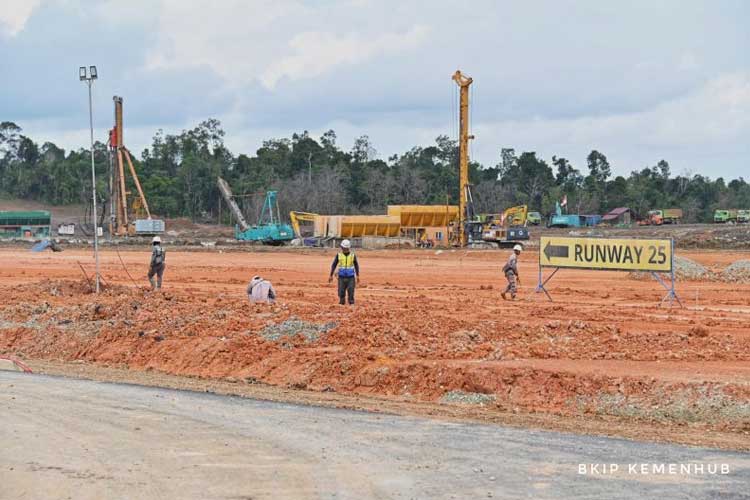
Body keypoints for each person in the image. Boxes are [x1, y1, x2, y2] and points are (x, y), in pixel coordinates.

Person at [328, 239, 360, 305]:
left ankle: (351, 304)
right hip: (341, 277)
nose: (344, 249)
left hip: (351, 277)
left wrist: (357, 276)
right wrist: (331, 275)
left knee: (351, 291)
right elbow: (334, 265)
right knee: (341, 292)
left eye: (345, 248)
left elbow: (356, 265)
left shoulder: (352, 255)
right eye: (344, 248)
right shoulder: (339, 255)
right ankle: (341, 304)